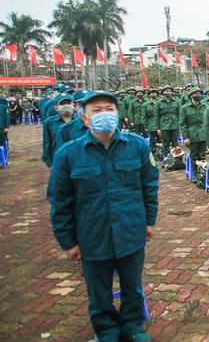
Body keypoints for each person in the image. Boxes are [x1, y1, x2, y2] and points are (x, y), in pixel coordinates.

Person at [47, 91, 158, 342]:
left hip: (131, 229)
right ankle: (107, 330)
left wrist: (149, 221)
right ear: (85, 118)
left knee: (132, 285)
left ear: (117, 114)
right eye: (97, 110)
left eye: (109, 108)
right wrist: (68, 241)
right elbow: (60, 201)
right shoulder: (68, 154)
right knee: (98, 291)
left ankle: (132, 327)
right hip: (92, 234)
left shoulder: (138, 146)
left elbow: (149, 186)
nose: (104, 114)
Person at [42, 93, 76, 168]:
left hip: (78, 160)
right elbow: (47, 143)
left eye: (68, 103)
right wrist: (49, 161)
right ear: (56, 107)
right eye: (62, 104)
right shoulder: (49, 122)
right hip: (58, 160)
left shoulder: (82, 120)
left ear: (74, 105)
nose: (66, 106)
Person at [179, 87, 207, 174]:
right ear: (191, 96)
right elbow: (183, 123)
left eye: (199, 94)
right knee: (194, 155)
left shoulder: (205, 107)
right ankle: (195, 173)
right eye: (195, 94)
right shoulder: (185, 108)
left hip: (203, 134)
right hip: (192, 134)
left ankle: (202, 172)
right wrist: (185, 137)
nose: (198, 96)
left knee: (202, 154)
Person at [155, 86, 180, 153]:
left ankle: (176, 159)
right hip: (164, 126)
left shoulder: (176, 102)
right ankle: (166, 159)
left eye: (170, 91)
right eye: (166, 91)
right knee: (166, 143)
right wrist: (158, 128)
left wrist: (179, 126)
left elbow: (179, 114)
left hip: (175, 125)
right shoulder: (159, 103)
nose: (168, 92)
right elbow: (156, 115)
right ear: (163, 92)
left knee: (175, 143)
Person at [141, 89, 160, 155]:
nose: (153, 95)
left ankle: (160, 153)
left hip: (160, 124)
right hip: (151, 124)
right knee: (152, 140)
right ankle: (152, 153)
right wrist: (145, 126)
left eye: (155, 93)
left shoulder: (160, 103)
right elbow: (144, 116)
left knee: (160, 140)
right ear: (149, 95)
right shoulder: (145, 105)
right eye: (152, 93)